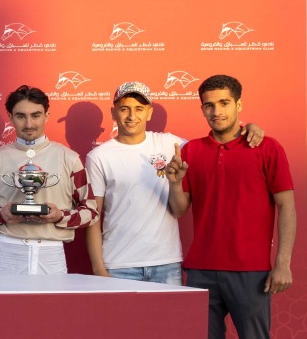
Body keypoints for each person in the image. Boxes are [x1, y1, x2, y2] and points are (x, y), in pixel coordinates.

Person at [166, 74, 295, 339]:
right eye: (208, 104)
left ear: (239, 104)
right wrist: (173, 181)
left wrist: (283, 262)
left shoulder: (266, 147)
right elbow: (180, 209)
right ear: (201, 107)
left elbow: (286, 206)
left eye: (223, 103)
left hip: (251, 271)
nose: (216, 110)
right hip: (202, 269)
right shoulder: (191, 151)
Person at [85, 81, 263, 284]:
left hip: (167, 265)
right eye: (124, 109)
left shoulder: (171, 144)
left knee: (171, 318)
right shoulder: (98, 156)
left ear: (149, 113)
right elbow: (93, 217)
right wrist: (99, 268)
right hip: (118, 265)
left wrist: (247, 127)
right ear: (113, 113)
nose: (132, 116)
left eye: (139, 109)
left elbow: (215, 144)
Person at [0, 85, 97, 275]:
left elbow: (91, 211)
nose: (29, 124)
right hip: (7, 252)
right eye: (21, 116)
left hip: (51, 252)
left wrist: (60, 216)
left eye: (36, 115)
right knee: (5, 306)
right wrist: (1, 215)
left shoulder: (69, 159)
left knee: (52, 306)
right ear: (11, 117)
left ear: (47, 115)